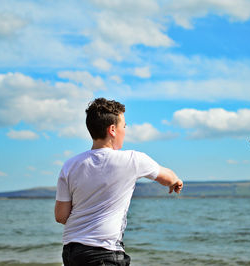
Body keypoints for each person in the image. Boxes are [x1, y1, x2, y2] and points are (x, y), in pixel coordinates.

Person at [55, 98, 183, 266]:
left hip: (72, 252)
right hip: (104, 253)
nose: (125, 130)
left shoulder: (70, 165)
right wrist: (176, 181)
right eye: (124, 126)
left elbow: (61, 216)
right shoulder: (132, 160)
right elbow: (167, 177)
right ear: (113, 130)